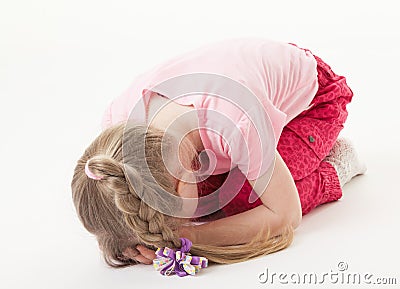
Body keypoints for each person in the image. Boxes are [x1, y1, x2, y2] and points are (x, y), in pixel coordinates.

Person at [71, 37, 367, 268]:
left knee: (241, 202)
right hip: (237, 98)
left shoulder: (236, 121)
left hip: (314, 101)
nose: (175, 226)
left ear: (186, 181)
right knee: (217, 201)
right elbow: (111, 188)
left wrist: (190, 237)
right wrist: (118, 232)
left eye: (173, 219)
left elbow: (284, 215)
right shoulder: (117, 126)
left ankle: (337, 166)